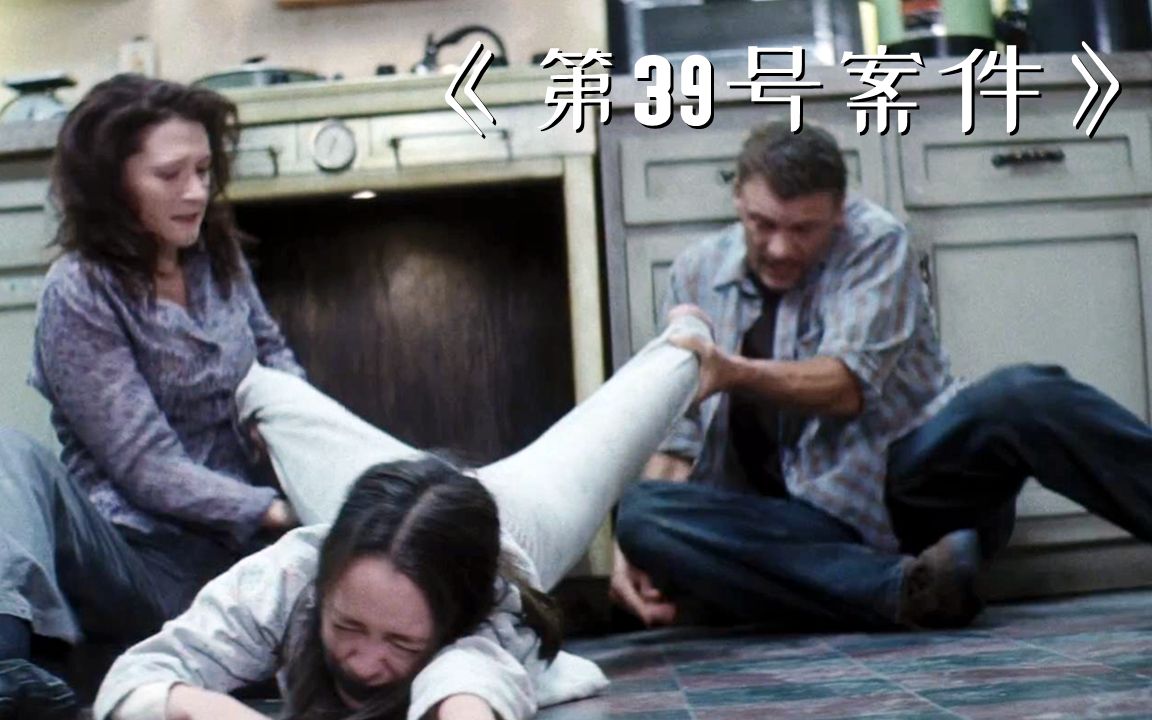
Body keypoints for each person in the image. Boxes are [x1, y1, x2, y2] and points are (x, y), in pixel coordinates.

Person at [610, 120, 1152, 631]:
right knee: (642, 514)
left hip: (912, 484)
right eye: (763, 224)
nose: (780, 247)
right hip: (801, 521)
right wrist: (632, 547)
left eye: (803, 229)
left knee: (1025, 395)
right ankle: (907, 588)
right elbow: (679, 444)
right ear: (738, 201)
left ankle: (865, 577)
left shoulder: (876, 241)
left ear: (839, 211)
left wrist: (732, 371)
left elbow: (845, 386)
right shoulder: (696, 273)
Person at [92, 308, 712, 720]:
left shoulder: (487, 614)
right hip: (382, 498)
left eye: (401, 642)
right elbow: (134, 677)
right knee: (264, 392)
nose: (365, 664)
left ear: (450, 623)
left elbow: (470, 689)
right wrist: (206, 707)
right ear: (325, 580)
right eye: (347, 626)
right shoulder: (291, 572)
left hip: (516, 516)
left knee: (662, 378)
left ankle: (687, 337)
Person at [0, 74, 302, 715]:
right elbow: (147, 467)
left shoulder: (215, 255)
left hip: (249, 558)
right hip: (138, 562)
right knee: (6, 454)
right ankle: (4, 669)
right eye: (170, 174)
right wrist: (275, 509)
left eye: (204, 169)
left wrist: (295, 433)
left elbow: (275, 358)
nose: (195, 191)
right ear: (113, 185)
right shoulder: (78, 290)